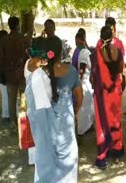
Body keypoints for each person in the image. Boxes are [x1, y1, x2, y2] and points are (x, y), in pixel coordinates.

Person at [25, 38, 83, 183]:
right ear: (60, 51)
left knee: (46, 159)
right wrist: (75, 112)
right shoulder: (71, 71)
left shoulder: (38, 72)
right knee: (68, 162)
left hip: (46, 129)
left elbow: (29, 65)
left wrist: (41, 60)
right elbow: (79, 97)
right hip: (66, 127)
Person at [90, 26, 125, 169]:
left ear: (100, 37)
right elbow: (120, 70)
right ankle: (117, 153)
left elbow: (93, 78)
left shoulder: (95, 54)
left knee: (102, 124)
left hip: (102, 93)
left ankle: (102, 157)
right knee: (116, 121)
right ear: (112, 37)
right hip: (115, 91)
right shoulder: (118, 51)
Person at [0, 16, 30, 127]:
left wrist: (2, 75)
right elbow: (28, 56)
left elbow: (1, 59)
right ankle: (23, 124)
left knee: (11, 100)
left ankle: (13, 124)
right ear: (17, 25)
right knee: (23, 99)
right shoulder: (23, 38)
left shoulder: (4, 40)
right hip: (22, 74)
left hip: (9, 75)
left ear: (9, 26)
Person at [76, 31, 94, 135]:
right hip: (87, 84)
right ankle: (83, 129)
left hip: (84, 83)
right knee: (86, 107)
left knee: (84, 107)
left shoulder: (83, 52)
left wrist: (78, 81)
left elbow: (82, 69)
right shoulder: (86, 51)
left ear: (78, 40)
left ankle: (82, 130)